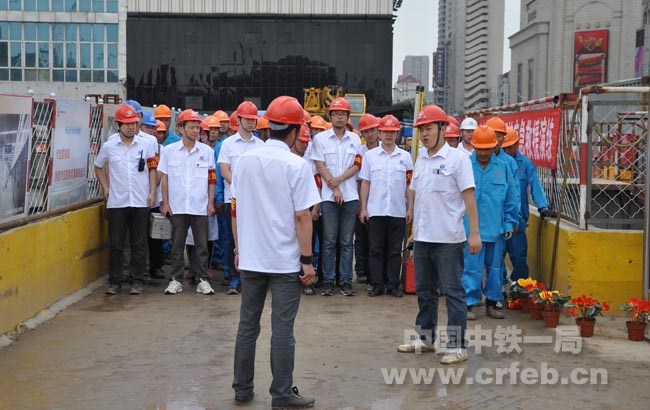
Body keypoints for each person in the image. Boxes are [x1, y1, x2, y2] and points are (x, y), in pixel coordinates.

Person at [231, 96, 319, 409]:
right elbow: (303, 216)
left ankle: (242, 389)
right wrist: (307, 261)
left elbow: (235, 209)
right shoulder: (297, 165)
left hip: (252, 257)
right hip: (284, 262)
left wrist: (239, 249)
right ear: (294, 131)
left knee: (247, 326)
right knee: (282, 329)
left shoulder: (244, 161)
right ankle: (281, 394)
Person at [398, 105, 481, 365]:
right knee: (425, 291)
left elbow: (469, 197)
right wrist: (414, 232)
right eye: (421, 129)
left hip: (448, 240)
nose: (424, 134)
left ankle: (457, 346)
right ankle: (426, 338)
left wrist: (474, 233)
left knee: (453, 293)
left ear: (443, 129)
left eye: (429, 128)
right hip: (423, 239)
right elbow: (418, 195)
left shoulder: (458, 160)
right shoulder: (421, 158)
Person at [94, 104, 157, 295]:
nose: (131, 127)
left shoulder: (146, 145)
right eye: (127, 124)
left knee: (139, 243)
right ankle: (115, 281)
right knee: (117, 244)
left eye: (134, 123)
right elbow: (98, 166)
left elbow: (152, 169)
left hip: (140, 201)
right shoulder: (109, 147)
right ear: (118, 125)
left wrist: (152, 192)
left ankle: (136, 280)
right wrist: (105, 188)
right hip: (117, 202)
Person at [158, 109, 217, 296]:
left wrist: (210, 203)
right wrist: (165, 202)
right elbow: (165, 178)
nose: (195, 130)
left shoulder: (207, 152)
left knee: (201, 246)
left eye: (197, 127)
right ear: (181, 128)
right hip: (177, 206)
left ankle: (202, 280)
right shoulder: (169, 151)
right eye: (191, 127)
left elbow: (212, 179)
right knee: (177, 244)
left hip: (199, 206)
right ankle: (175, 280)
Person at [463, 126, 518, 321]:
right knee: (471, 267)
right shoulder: (465, 165)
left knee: (495, 268)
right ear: (473, 146)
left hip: (496, 229)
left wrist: (510, 222)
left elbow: (511, 197)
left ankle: (492, 303)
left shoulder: (503, 167)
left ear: (495, 147)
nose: (484, 153)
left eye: (487, 149)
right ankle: (469, 303)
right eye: (480, 149)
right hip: (470, 229)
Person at [311, 97, 362, 297]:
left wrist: (337, 181)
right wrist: (334, 187)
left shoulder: (355, 139)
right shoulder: (321, 139)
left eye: (343, 114)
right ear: (330, 116)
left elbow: (357, 165)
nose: (339, 117)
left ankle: (346, 281)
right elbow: (319, 165)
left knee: (347, 242)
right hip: (328, 198)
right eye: (336, 114)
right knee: (329, 241)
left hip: (350, 197)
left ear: (348, 117)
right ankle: (328, 281)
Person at [358, 115, 413, 297]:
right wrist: (363, 208)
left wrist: (410, 208)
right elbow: (365, 183)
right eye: (386, 132)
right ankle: (376, 284)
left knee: (395, 250)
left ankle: (393, 285)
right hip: (376, 210)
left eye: (393, 132)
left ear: (398, 134)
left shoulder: (405, 157)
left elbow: (409, 185)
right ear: (380, 133)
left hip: (397, 210)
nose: (389, 135)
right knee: (375, 250)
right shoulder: (370, 156)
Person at [218, 101, 264, 295]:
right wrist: (240, 187)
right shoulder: (228, 144)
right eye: (248, 119)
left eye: (254, 119)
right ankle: (233, 278)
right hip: (233, 199)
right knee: (231, 240)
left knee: (254, 238)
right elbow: (224, 170)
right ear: (239, 119)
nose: (251, 122)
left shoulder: (261, 145)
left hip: (254, 201)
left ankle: (252, 277)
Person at [502, 127, 551, 281]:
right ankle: (500, 287)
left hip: (518, 220)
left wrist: (542, 206)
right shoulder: (497, 163)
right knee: (496, 258)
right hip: (498, 219)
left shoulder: (525, 164)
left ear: (517, 144)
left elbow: (535, 185)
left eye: (510, 147)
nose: (507, 150)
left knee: (519, 257)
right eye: (504, 148)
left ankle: (520, 287)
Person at [290, 124, 322, 296]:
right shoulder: (286, 159)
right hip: (289, 207)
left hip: (308, 206)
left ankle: (307, 279)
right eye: (301, 141)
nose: (304, 145)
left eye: (306, 142)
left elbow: (318, 184)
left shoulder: (310, 160)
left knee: (308, 243)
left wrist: (315, 208)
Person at [354, 113, 380, 285]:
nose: (370, 134)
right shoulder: (360, 153)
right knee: (361, 237)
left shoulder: (385, 149)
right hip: (362, 200)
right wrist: (360, 204)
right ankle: (361, 269)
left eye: (372, 130)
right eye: (366, 131)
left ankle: (374, 272)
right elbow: (358, 180)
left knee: (376, 240)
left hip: (379, 201)